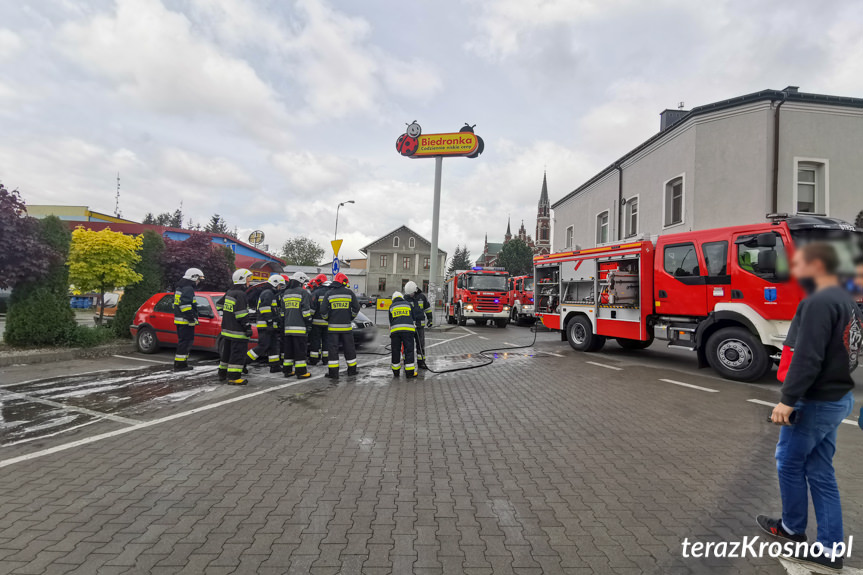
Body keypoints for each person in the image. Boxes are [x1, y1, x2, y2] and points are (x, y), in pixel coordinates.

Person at [757, 242, 861, 572]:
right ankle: (827, 545)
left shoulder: (818, 302)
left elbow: (808, 357)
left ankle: (792, 528)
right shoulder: (848, 301)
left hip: (815, 401)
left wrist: (787, 401)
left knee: (787, 461)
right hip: (838, 398)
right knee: (820, 471)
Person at [321, 272, 360, 378]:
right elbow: (356, 308)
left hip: (333, 329)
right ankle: (352, 370)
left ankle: (333, 373)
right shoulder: (350, 293)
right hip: (347, 328)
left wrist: (328, 319)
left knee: (333, 351)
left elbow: (323, 311)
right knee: (349, 349)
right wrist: (350, 317)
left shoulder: (329, 293)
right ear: (344, 282)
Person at [218, 268, 254, 385]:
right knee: (237, 355)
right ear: (242, 280)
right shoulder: (241, 294)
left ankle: (222, 373)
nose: (250, 282)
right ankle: (234, 377)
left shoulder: (230, 292)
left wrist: (228, 315)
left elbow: (219, 305)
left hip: (227, 330)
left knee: (226, 354)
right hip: (238, 332)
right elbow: (241, 314)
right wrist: (247, 327)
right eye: (248, 279)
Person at [246, 274, 285, 373]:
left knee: (273, 346)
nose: (280, 288)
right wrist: (270, 321)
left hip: (270, 326)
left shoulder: (271, 293)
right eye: (280, 285)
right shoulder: (268, 293)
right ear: (274, 283)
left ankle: (274, 366)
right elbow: (265, 308)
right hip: (265, 326)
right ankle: (243, 362)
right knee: (262, 346)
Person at [282, 271, 313, 379]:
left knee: (288, 351)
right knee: (300, 351)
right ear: (301, 281)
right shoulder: (303, 293)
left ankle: (287, 371)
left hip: (287, 328)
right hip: (299, 328)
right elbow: (305, 311)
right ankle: (301, 372)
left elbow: (282, 311)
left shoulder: (286, 293)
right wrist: (309, 321)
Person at [172, 267, 204, 371]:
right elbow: (185, 306)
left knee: (182, 342)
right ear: (193, 277)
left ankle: (180, 363)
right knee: (186, 342)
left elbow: (177, 304)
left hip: (179, 320)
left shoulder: (180, 287)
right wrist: (191, 319)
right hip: (185, 321)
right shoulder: (188, 288)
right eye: (198, 279)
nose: (199, 282)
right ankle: (181, 365)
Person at [388, 291, 422, 378]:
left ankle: (396, 372)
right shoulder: (407, 304)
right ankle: (409, 373)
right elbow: (413, 317)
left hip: (395, 331)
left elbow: (391, 321)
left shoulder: (392, 306)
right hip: (408, 331)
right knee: (409, 350)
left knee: (395, 350)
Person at [403, 280, 433, 370]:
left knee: (421, 345)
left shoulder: (422, 297)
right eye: (409, 294)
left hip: (420, 326)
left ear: (415, 290)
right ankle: (407, 362)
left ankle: (421, 362)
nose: (410, 295)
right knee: (408, 345)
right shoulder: (405, 298)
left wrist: (430, 319)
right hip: (410, 326)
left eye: (411, 293)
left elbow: (427, 308)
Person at [308, 273, 330, 366]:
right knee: (326, 342)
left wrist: (309, 319)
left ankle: (314, 360)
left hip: (316, 323)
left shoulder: (316, 293)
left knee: (315, 342)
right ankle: (326, 360)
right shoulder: (331, 292)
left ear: (318, 282)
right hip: (328, 323)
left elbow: (312, 309)